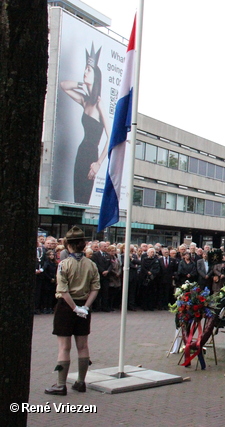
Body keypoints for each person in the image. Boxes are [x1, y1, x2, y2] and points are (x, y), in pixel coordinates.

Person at [45, 226, 100, 396]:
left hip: (66, 307)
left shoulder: (64, 264)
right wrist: (85, 307)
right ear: (84, 245)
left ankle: (61, 384)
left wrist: (74, 308)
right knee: (83, 346)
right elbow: (95, 288)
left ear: (68, 244)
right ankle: (81, 382)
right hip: (84, 306)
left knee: (64, 347)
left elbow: (63, 290)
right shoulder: (91, 264)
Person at [60, 43, 109, 205]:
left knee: (84, 197)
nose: (84, 71)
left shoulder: (99, 104)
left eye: (88, 70)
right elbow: (63, 86)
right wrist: (83, 84)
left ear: (96, 75)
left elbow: (111, 137)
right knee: (77, 196)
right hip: (81, 153)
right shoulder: (84, 100)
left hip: (91, 156)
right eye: (85, 68)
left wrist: (98, 163)